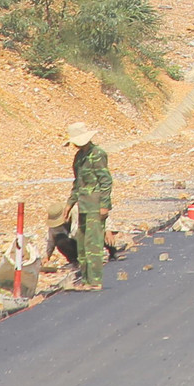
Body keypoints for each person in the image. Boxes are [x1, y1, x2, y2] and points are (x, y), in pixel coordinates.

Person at [64, 121, 113, 290]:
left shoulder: (98, 154)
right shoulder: (79, 158)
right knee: (82, 244)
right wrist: (69, 204)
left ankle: (95, 281)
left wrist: (104, 205)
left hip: (95, 205)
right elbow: (77, 183)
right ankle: (85, 280)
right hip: (83, 205)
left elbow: (106, 181)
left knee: (94, 244)